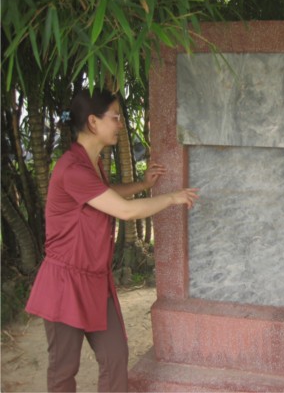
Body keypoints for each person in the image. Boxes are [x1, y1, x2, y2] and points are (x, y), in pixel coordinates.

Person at [25, 89, 199, 392]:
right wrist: (172, 198)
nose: (120, 124)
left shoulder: (91, 163)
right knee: (64, 369)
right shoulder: (72, 168)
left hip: (95, 280)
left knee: (115, 355)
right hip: (65, 282)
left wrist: (142, 184)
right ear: (93, 122)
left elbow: (104, 195)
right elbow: (125, 211)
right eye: (115, 117)